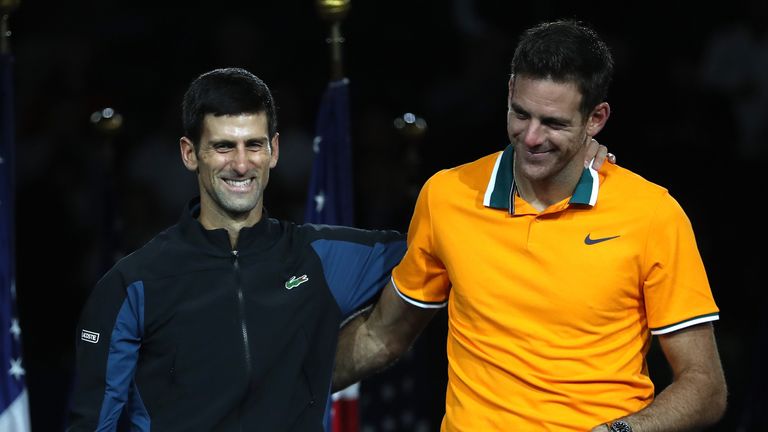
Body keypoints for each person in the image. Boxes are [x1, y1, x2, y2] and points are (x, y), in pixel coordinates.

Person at [333, 19, 727, 432]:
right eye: (521, 114)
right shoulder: (446, 196)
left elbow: (705, 386)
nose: (532, 137)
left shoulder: (651, 214)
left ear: (596, 119)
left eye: (553, 123)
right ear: (508, 93)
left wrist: (618, 431)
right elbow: (383, 336)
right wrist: (277, 386)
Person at [66, 67, 411, 431]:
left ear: (274, 150)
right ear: (189, 153)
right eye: (223, 146)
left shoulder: (319, 257)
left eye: (254, 145)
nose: (242, 164)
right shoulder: (133, 284)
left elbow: (434, 246)